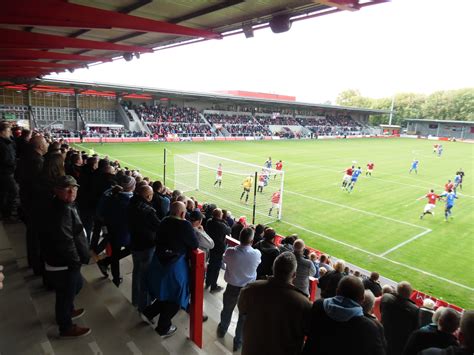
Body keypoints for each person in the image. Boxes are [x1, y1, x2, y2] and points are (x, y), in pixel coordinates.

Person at [40, 176, 91, 338]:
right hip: (64, 263)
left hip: (62, 261)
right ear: (56, 190)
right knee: (65, 294)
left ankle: (67, 310)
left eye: (74, 188)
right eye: (67, 189)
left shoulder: (63, 205)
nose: (72, 192)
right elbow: (65, 241)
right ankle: (66, 327)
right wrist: (75, 261)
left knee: (74, 287)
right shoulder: (61, 211)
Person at [141, 201, 198, 337]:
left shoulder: (164, 221)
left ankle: (149, 312)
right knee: (177, 297)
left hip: (158, 263)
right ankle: (163, 327)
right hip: (174, 266)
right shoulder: (185, 225)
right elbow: (194, 244)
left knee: (166, 292)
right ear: (183, 213)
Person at [238, 252, 312, 355]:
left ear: (273, 269)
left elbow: (242, 310)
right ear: (294, 275)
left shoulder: (251, 288)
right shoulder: (305, 304)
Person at [303, 276, 386, 355]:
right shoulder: (370, 327)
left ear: (337, 291)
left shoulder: (318, 305)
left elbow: (306, 330)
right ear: (362, 299)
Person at [217, 227, 261, 352]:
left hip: (232, 288)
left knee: (227, 310)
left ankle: (222, 329)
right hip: (247, 290)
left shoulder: (230, 251)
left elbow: (224, 259)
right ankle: (238, 341)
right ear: (252, 241)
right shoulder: (256, 253)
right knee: (243, 317)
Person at [127, 184, 160, 313]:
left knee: (137, 272)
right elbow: (158, 226)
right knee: (145, 276)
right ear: (148, 196)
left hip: (134, 243)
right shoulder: (147, 210)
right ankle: (144, 307)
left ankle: (135, 300)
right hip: (146, 246)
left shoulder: (131, 203)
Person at [381, 281, 419, 355]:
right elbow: (414, 328)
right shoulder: (415, 310)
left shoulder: (386, 297)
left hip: (383, 337)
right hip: (398, 345)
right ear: (410, 294)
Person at [205, 208, 231, 293]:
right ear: (220, 216)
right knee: (216, 267)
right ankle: (213, 286)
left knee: (211, 264)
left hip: (211, 246)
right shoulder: (221, 225)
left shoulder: (209, 221)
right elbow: (229, 230)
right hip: (218, 248)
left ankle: (208, 282)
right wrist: (223, 221)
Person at [0, 121, 18, 223]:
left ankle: (6, 214)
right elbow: (7, 159)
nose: (10, 132)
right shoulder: (2, 144)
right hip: (5, 172)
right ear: (2, 132)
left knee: (6, 192)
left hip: (8, 171)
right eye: (8, 130)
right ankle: (7, 215)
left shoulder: (7, 141)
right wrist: (14, 163)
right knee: (12, 192)